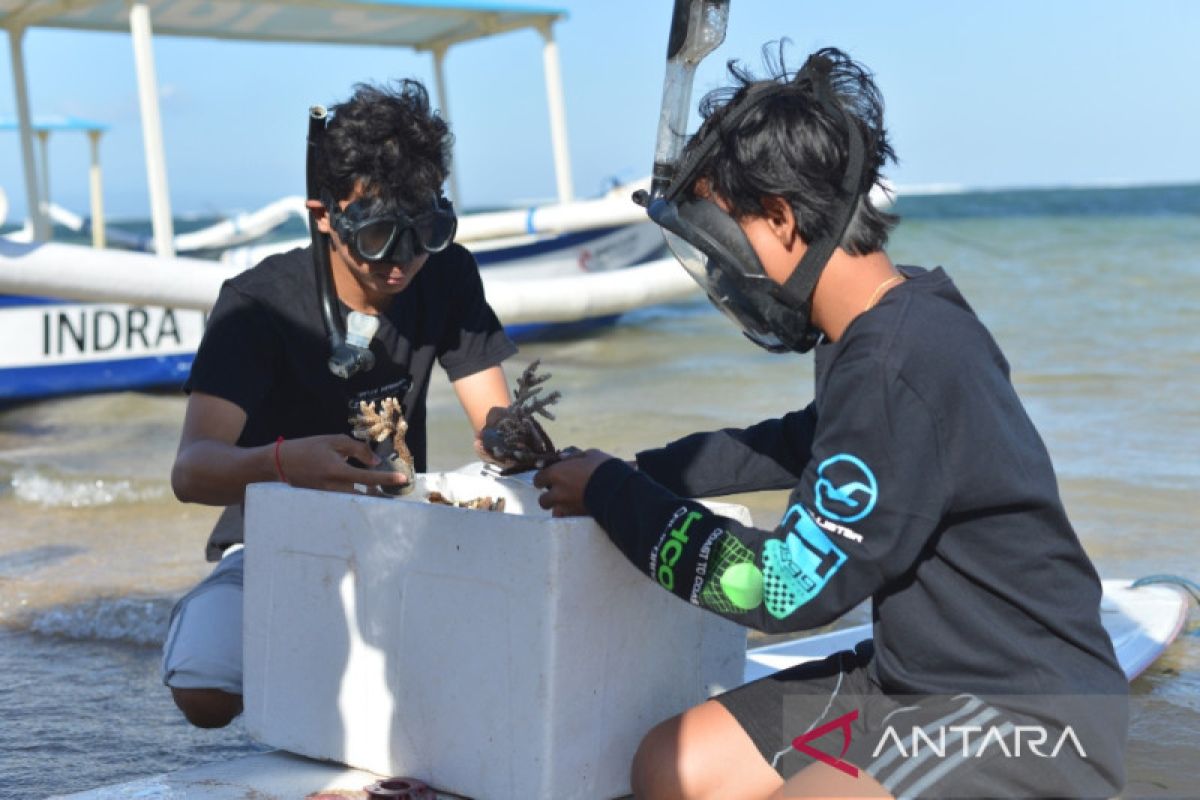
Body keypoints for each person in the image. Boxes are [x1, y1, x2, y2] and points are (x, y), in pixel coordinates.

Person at [534, 47, 1127, 799]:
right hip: (907, 683)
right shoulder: (879, 322)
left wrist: (617, 495)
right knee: (668, 767)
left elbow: (777, 589)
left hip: (1021, 714)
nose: (722, 275)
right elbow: (799, 442)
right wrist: (642, 469)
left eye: (723, 245)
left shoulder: (897, 362)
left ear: (781, 220)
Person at [163, 79, 516, 729]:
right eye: (379, 234)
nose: (401, 263)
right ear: (324, 213)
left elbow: (493, 421)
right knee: (206, 689)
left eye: (425, 232)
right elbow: (193, 471)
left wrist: (511, 437)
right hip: (277, 542)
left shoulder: (448, 274)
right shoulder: (257, 304)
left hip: (402, 539)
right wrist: (282, 463)